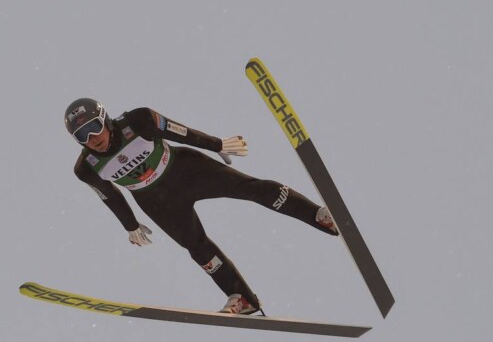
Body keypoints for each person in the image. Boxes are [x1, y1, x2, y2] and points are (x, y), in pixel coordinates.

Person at [65, 98, 338, 315]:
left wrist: (217, 144)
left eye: (94, 127)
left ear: (106, 119)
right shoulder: (86, 168)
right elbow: (110, 197)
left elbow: (179, 132)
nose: (92, 138)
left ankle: (319, 215)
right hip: (156, 201)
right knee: (196, 247)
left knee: (251, 188)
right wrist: (130, 225)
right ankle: (242, 298)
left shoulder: (138, 121)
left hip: (186, 171)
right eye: (82, 136)